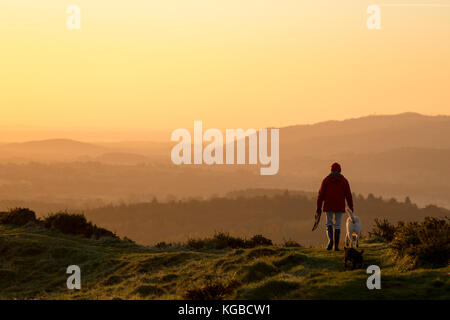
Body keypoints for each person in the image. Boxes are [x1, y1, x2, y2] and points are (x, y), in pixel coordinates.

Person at [316, 162, 354, 251]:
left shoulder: (326, 180)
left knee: (329, 223)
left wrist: (318, 208)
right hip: (339, 206)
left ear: (331, 170)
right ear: (340, 170)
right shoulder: (344, 181)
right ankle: (336, 246)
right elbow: (348, 195)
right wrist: (351, 207)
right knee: (337, 225)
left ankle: (330, 240)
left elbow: (320, 195)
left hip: (328, 205)